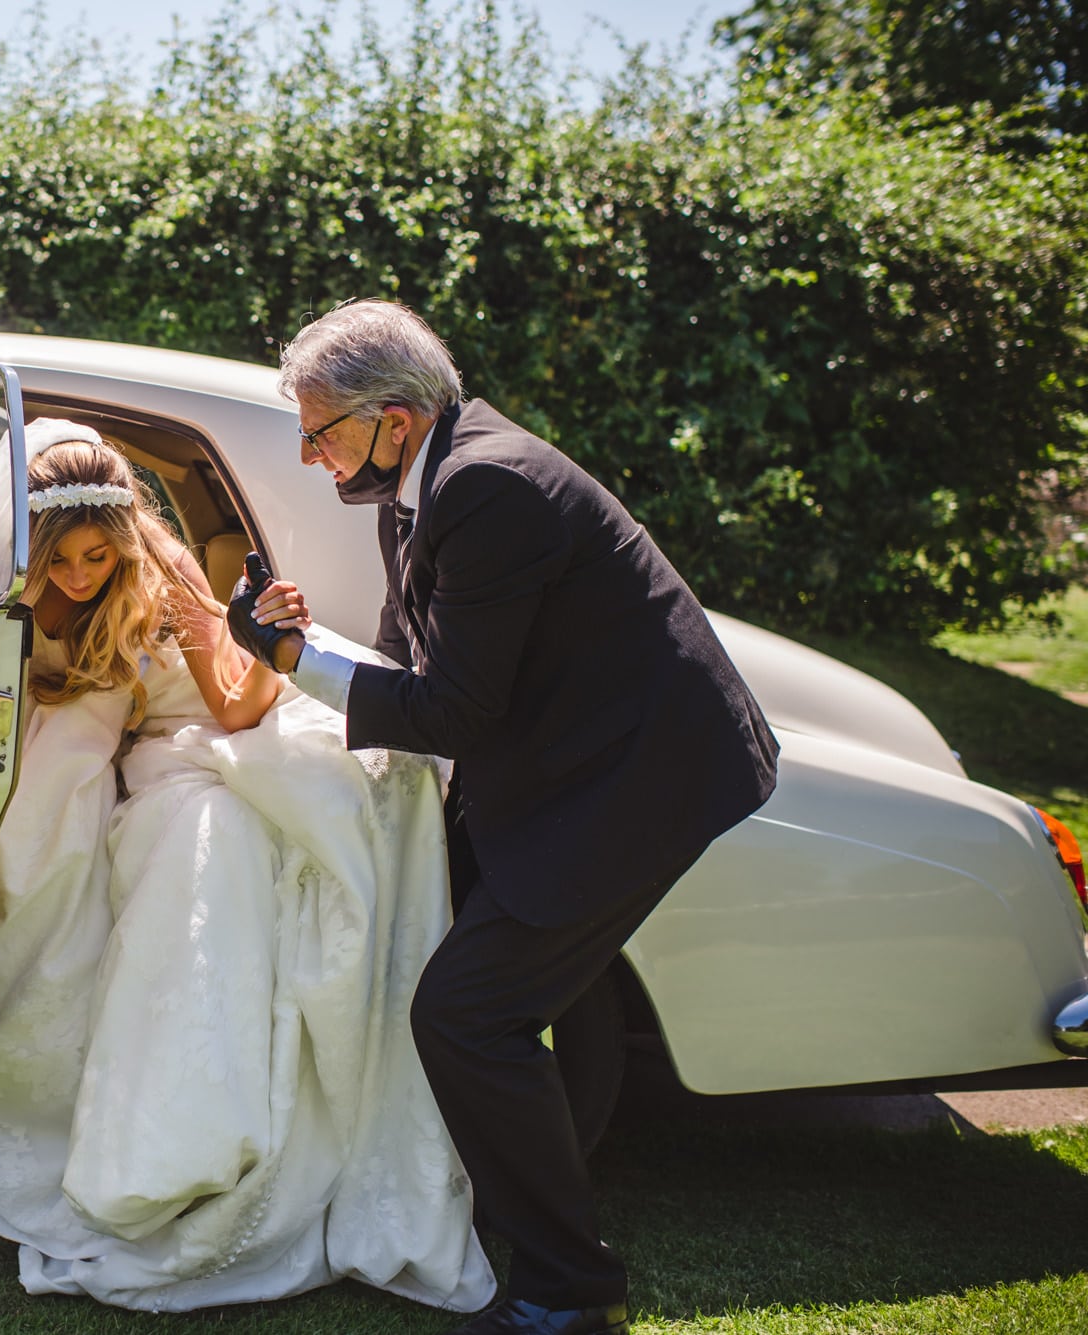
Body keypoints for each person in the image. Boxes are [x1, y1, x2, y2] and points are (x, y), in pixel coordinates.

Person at [228, 299, 780, 1335]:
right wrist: (305, 638)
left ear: (392, 417)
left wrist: (291, 662)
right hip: (564, 759)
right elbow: (420, 654)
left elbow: (453, 709)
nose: (308, 457)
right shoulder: (427, 474)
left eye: (318, 433)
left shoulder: (486, 483)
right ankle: (519, 1217)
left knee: (464, 1014)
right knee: (551, 1002)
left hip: (631, 780)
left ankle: (570, 1292)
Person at [0, 417, 497, 1314]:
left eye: (98, 556)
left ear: (125, 533)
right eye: (59, 560)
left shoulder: (163, 569)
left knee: (250, 832)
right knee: (45, 842)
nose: (78, 575)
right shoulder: (19, 597)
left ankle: (219, 1139)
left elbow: (236, 704)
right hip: (135, 742)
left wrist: (262, 640)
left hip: (212, 734)